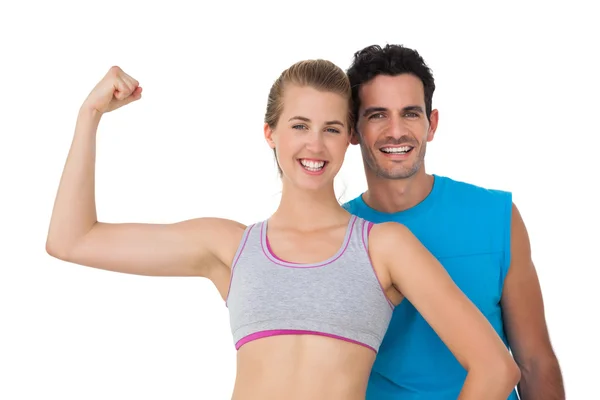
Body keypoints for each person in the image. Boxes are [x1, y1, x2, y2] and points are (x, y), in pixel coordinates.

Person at [46, 60, 519, 400]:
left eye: (332, 128)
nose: (315, 144)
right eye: (299, 125)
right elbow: (72, 240)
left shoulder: (384, 246)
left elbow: (496, 367)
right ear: (270, 133)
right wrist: (88, 116)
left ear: (349, 137)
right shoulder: (230, 246)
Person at [343, 44, 565, 400]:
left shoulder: (496, 216)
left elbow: (534, 362)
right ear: (353, 131)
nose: (396, 131)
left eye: (411, 114)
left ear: (431, 125)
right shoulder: (338, 234)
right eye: (377, 115)